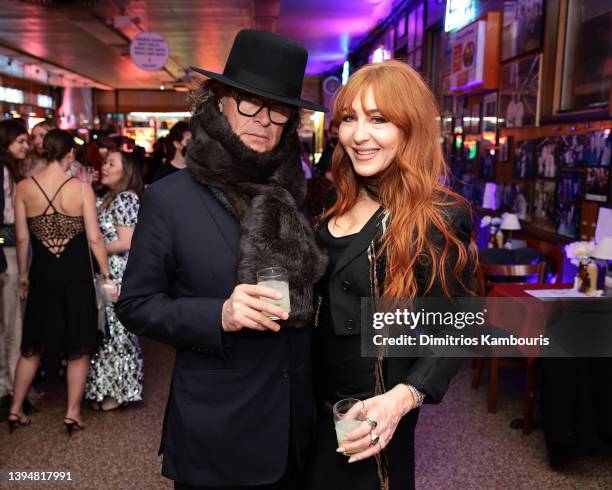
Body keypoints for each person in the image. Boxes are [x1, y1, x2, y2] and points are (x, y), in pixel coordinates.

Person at [116, 29, 328, 489]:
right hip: (219, 434)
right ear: (221, 100)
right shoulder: (170, 199)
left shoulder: (293, 193)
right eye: (250, 102)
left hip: (295, 431)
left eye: (278, 109)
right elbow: (135, 304)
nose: (264, 121)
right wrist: (220, 314)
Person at [302, 60, 475, 490]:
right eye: (350, 118)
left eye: (378, 120)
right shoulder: (336, 201)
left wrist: (402, 400)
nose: (359, 135)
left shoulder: (435, 216)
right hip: (308, 405)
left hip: (371, 418)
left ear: (409, 129)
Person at [8, 129, 113, 435]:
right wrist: (106, 275)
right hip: (76, 276)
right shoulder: (81, 189)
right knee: (79, 346)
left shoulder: (23, 188)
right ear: (69, 155)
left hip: (43, 274)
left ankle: (15, 410)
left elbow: (23, 238)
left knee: (32, 345)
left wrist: (25, 277)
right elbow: (94, 238)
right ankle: (72, 413)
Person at [85, 151, 144, 411]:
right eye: (105, 162)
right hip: (105, 270)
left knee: (118, 334)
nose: (105, 167)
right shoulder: (105, 197)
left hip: (118, 273)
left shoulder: (126, 197)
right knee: (105, 334)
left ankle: (121, 391)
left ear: (126, 171)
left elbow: (126, 241)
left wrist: (92, 248)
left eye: (111, 163)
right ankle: (103, 388)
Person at [0, 120, 29, 413]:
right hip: (6, 253)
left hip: (9, 250)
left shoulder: (13, 170)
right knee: (13, 325)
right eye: (20, 140)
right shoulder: (5, 172)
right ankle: (11, 391)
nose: (26, 146)